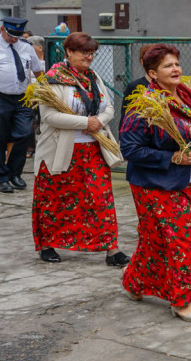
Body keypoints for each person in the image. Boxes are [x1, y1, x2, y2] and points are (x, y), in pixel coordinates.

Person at [119, 44, 191, 323]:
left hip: (188, 182)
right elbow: (129, 148)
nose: (176, 69)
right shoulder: (144, 104)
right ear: (153, 74)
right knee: (180, 240)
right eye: (168, 66)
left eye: (176, 63)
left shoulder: (189, 97)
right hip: (154, 183)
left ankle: (134, 280)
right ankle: (181, 300)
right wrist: (172, 157)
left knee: (154, 239)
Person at [32, 32, 128, 264]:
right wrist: (85, 123)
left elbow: (109, 107)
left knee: (100, 197)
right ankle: (47, 244)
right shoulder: (53, 78)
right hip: (61, 150)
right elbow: (49, 116)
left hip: (93, 150)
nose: (89, 57)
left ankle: (111, 249)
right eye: (84, 52)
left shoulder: (93, 77)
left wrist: (98, 121)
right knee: (55, 199)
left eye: (92, 53)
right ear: (69, 52)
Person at [0, 17, 45, 193]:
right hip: (1, 97)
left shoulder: (26, 47)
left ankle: (14, 173)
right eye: (11, 35)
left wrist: (46, 89)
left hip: (23, 98)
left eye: (17, 35)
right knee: (0, 137)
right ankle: (1, 178)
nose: (14, 39)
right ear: (2, 29)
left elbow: (37, 71)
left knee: (24, 133)